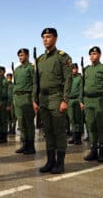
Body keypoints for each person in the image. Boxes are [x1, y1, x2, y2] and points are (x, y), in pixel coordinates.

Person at [33, 28, 72, 174]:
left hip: (56, 98)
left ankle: (60, 163)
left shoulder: (62, 57)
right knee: (47, 132)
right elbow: (36, 81)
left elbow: (68, 79)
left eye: (48, 37)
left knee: (59, 131)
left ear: (55, 38)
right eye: (43, 37)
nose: (45, 39)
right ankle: (50, 161)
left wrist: (65, 99)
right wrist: (34, 99)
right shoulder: (40, 60)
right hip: (43, 99)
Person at [81, 46, 103, 163]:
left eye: (95, 54)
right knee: (90, 126)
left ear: (99, 55)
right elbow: (82, 85)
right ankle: (93, 150)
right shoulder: (86, 69)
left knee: (101, 126)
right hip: (88, 100)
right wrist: (81, 100)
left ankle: (102, 152)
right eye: (91, 54)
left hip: (100, 100)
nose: (92, 56)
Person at [13, 48, 36, 154]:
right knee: (21, 123)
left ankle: (31, 146)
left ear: (27, 56)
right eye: (19, 55)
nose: (21, 57)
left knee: (29, 123)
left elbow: (35, 84)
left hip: (27, 97)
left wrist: (34, 100)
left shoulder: (31, 68)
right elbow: (15, 84)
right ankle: (24, 144)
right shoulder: (16, 70)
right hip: (17, 98)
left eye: (23, 55)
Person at [67, 63, 83, 145]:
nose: (74, 70)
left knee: (78, 120)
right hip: (70, 101)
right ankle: (73, 137)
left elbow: (81, 90)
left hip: (77, 100)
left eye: (75, 68)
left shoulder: (79, 78)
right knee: (71, 119)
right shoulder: (69, 79)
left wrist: (81, 101)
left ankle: (78, 138)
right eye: (73, 68)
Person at [0, 66, 9, 143]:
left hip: (3, 102)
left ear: (4, 72)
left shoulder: (4, 81)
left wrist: (8, 104)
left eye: (0, 72)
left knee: (3, 120)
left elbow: (6, 94)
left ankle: (3, 137)